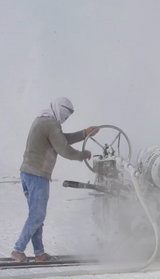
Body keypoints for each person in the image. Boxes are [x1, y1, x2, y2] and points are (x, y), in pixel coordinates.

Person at [11, 97, 98, 262]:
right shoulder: (51, 124)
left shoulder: (42, 120)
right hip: (37, 175)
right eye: (65, 114)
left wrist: (84, 133)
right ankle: (18, 250)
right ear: (59, 109)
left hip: (27, 173)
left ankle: (39, 253)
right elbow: (64, 148)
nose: (65, 118)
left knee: (35, 215)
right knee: (37, 216)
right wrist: (82, 155)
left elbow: (60, 139)